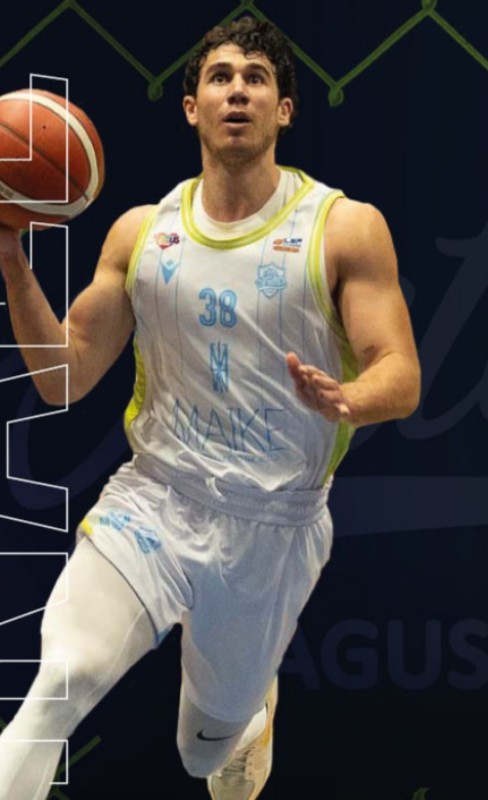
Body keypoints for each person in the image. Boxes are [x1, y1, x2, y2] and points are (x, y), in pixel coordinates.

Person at [0, 17, 421, 800]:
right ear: (191, 106)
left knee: (206, 756)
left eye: (257, 79)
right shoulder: (141, 234)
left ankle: (246, 722)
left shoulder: (344, 228)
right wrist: (9, 254)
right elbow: (64, 376)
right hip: (154, 499)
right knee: (61, 678)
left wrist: (349, 397)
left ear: (283, 110)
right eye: (220, 77)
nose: (238, 91)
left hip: (272, 525)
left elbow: (400, 373)